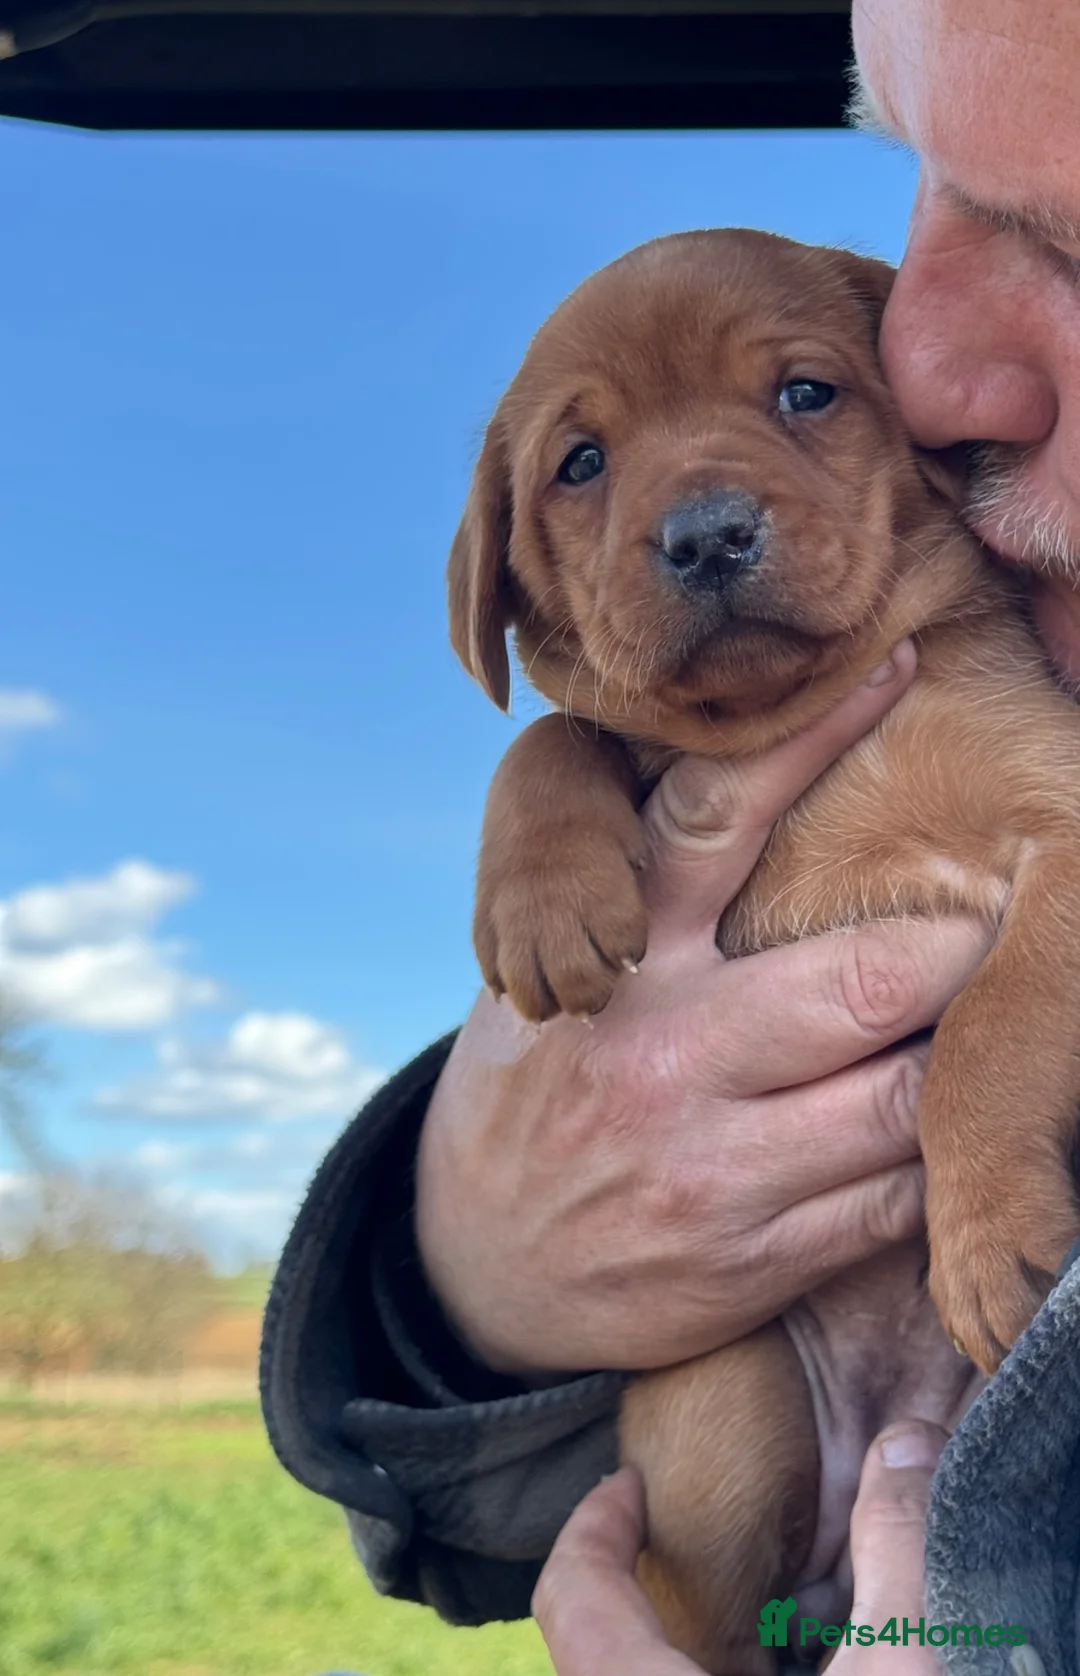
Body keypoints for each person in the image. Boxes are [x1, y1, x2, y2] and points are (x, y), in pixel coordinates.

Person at [261, 0, 1080, 1667]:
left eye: (798, 395)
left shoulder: (984, 682)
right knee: (709, 1561)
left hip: (997, 1435)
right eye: (581, 468)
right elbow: (496, 1511)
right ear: (507, 581)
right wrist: (460, 1274)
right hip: (753, 1368)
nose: (698, 515)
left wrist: (986, 1130)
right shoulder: (613, 761)